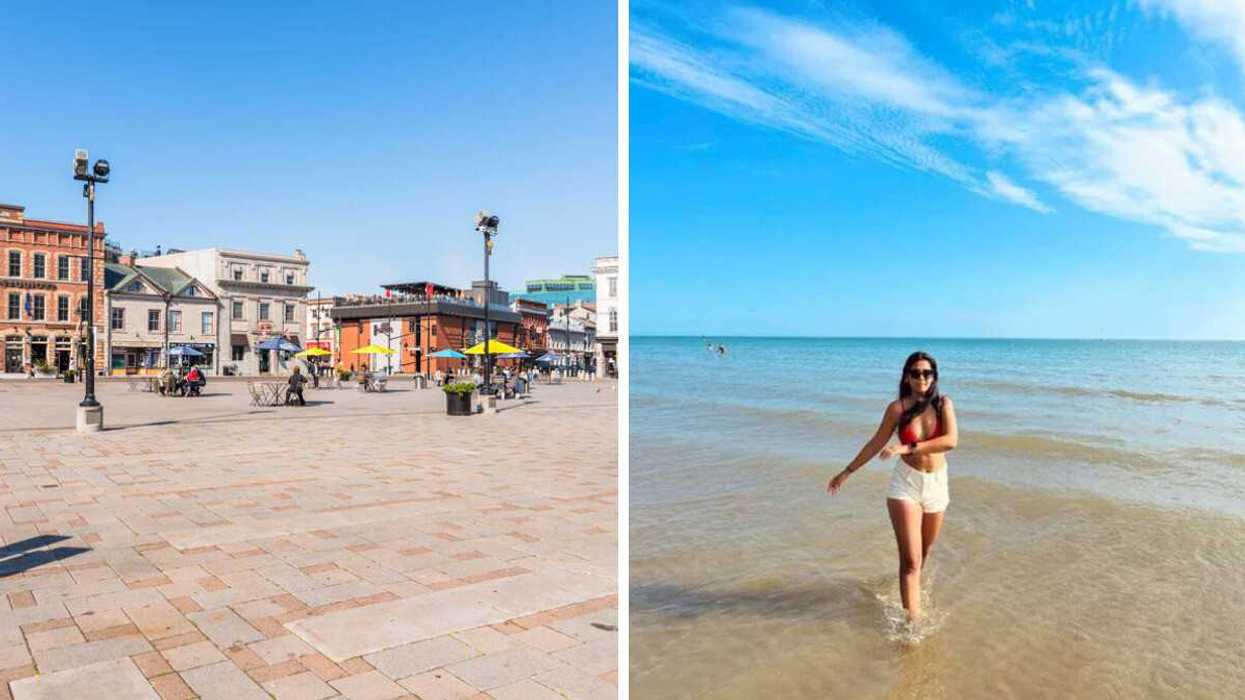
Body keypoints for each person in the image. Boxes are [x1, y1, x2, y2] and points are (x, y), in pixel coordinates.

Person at [827, 351, 958, 624]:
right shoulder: (897, 409)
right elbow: (876, 442)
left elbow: (950, 441)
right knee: (910, 561)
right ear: (907, 377)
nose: (921, 377)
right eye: (915, 373)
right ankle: (913, 624)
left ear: (934, 377)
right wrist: (846, 472)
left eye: (926, 373)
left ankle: (911, 592)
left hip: (936, 484)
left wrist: (906, 447)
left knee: (923, 554)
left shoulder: (944, 404)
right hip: (906, 484)